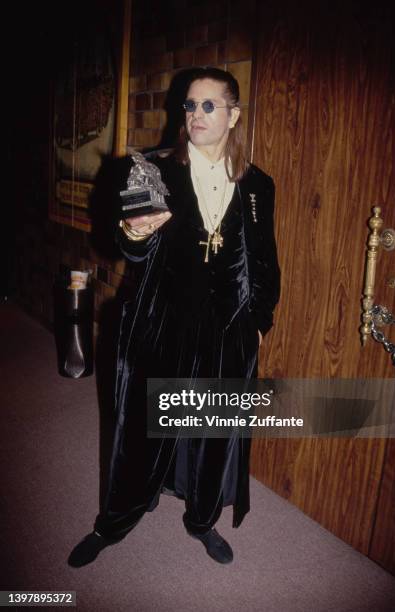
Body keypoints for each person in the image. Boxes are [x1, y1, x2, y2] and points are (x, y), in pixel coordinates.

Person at [69, 67, 280, 567]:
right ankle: (114, 521)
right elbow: (126, 244)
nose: (196, 114)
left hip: (227, 327)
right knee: (143, 427)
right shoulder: (152, 168)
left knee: (212, 431)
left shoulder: (258, 185)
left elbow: (265, 255)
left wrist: (259, 321)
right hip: (162, 321)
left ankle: (201, 519)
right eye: (189, 105)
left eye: (209, 105)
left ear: (233, 114)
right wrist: (136, 233)